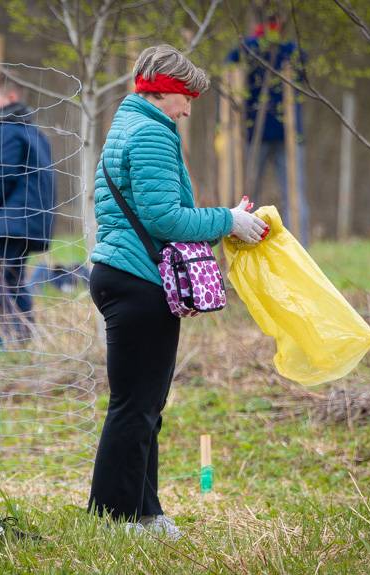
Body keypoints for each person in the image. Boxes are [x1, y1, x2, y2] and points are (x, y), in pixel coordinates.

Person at [89, 44, 267, 539]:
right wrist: (227, 220)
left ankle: (144, 512)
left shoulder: (129, 125)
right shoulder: (150, 133)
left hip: (124, 275)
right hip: (138, 279)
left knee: (143, 404)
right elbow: (164, 218)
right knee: (135, 406)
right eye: (186, 98)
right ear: (163, 91)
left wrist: (223, 216)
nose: (189, 109)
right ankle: (115, 518)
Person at [0, 73, 55, 349]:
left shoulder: (6, 129)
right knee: (12, 277)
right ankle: (22, 334)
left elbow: (1, 174)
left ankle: (9, 333)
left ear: (11, 98)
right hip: (29, 221)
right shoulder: (32, 132)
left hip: (13, 220)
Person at [228, 15, 309, 246]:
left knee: (293, 195)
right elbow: (231, 61)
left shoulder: (287, 51)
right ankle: (246, 239)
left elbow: (302, 62)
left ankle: (299, 245)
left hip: (287, 136)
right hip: (257, 136)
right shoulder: (254, 50)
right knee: (249, 193)